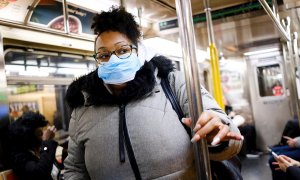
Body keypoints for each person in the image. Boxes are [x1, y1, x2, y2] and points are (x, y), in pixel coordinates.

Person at [64, 6, 243, 180]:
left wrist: (217, 135)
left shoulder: (173, 84)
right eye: (104, 55)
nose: (113, 60)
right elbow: (74, 169)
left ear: (138, 51)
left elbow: (223, 127)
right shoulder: (83, 107)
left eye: (123, 51)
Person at [9, 111, 58, 180]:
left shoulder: (37, 150)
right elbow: (41, 172)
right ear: (29, 135)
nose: (44, 133)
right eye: (40, 131)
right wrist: (46, 142)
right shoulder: (19, 157)